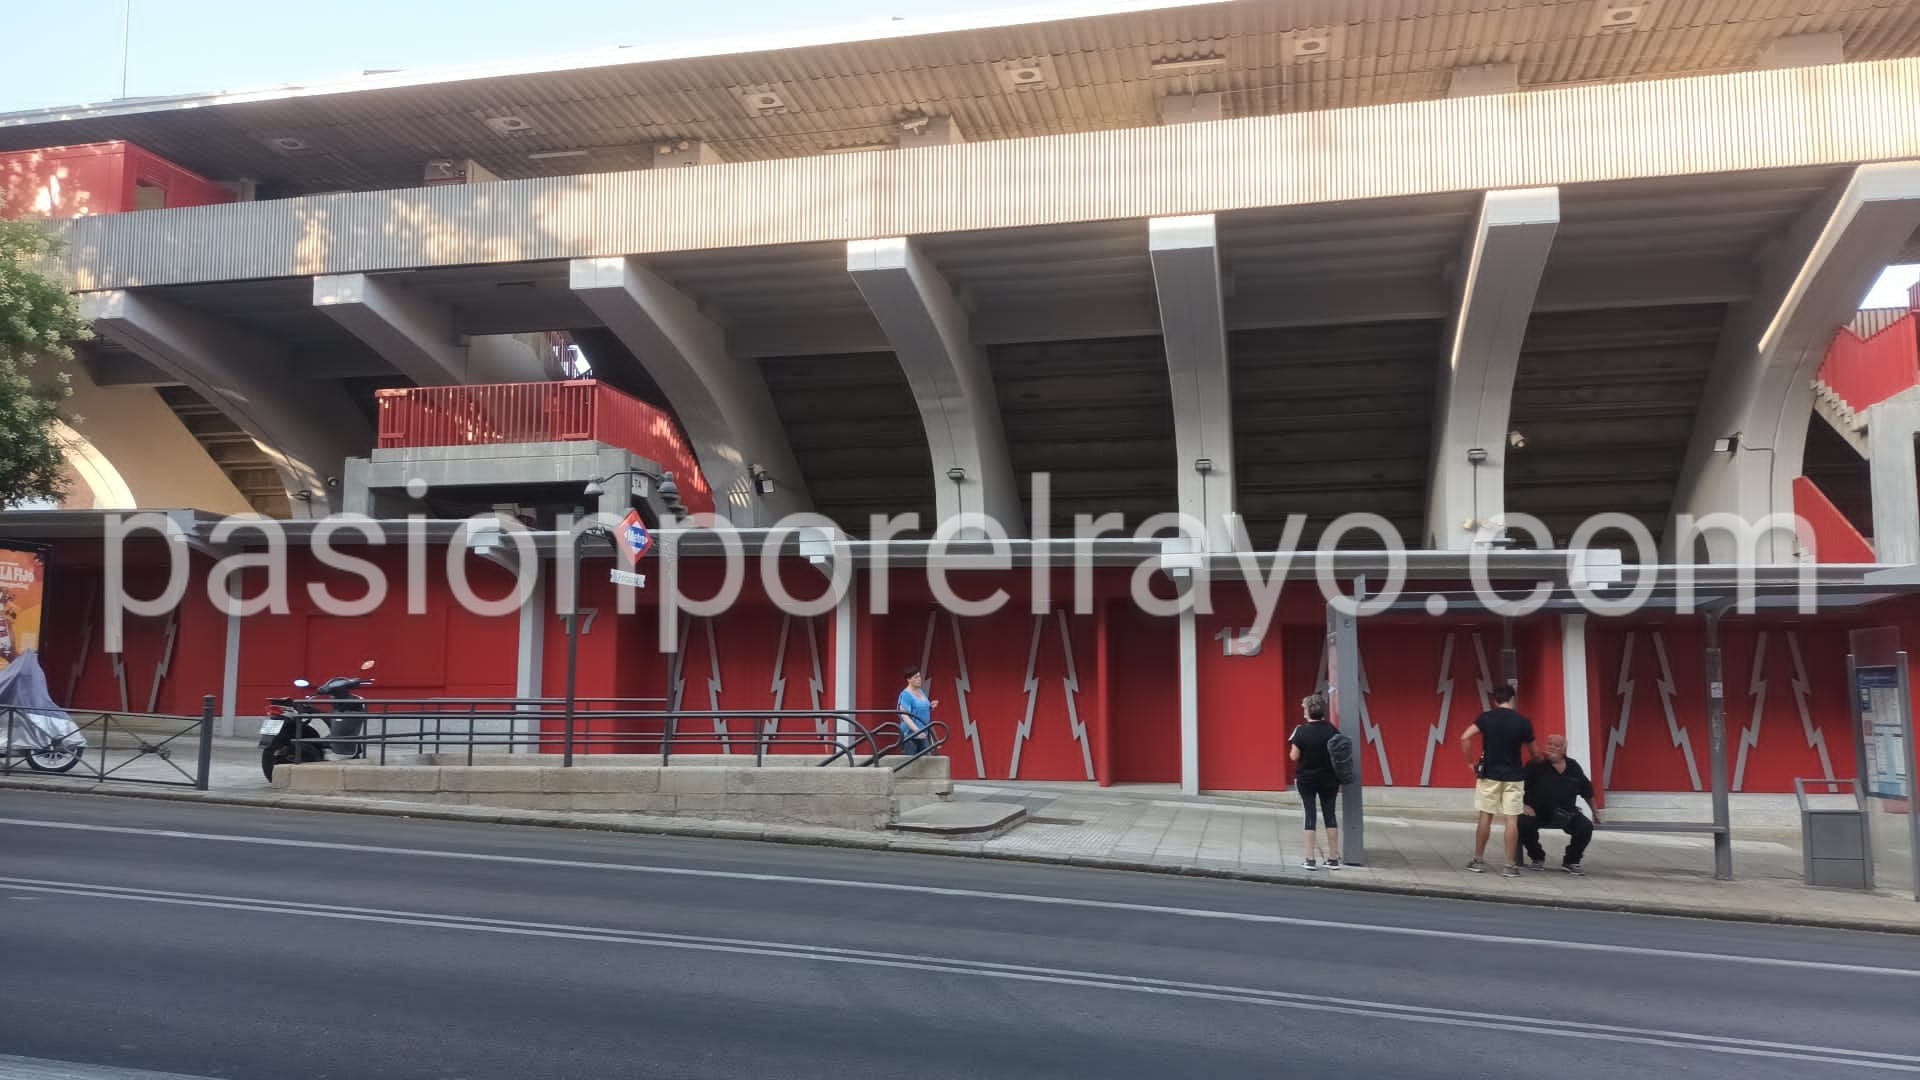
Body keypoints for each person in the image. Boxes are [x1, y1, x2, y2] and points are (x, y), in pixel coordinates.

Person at [1459, 683, 1535, 878]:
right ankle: (1509, 865)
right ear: (1513, 698)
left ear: (1495, 700)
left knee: (1485, 816)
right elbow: (1534, 752)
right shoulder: (1523, 722)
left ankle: (1478, 860)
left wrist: (1470, 763)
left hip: (1489, 774)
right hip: (1514, 776)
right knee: (1511, 820)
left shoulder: (1486, 718)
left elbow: (1465, 737)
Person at [1520, 733, 1598, 875]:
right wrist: (1523, 805)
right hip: (1538, 811)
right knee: (1522, 823)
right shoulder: (1536, 764)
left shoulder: (1573, 766)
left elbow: (1587, 790)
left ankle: (1571, 861)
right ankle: (1537, 857)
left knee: (1585, 827)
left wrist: (1595, 811)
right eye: (1549, 744)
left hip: (1566, 812)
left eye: (1556, 746)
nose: (1551, 748)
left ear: (1564, 749)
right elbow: (1518, 786)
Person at [1287, 693, 1342, 870]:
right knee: (1330, 815)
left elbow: (1294, 756)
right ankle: (1333, 858)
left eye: (1304, 708)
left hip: (1307, 779)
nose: (1303, 711)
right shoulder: (1332, 730)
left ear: (1309, 711)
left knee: (1309, 815)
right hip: (1330, 779)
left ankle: (1310, 859)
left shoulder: (1301, 731)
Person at [895, 665, 939, 757]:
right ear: (909, 679)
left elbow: (920, 707)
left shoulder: (920, 692)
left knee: (927, 761)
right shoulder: (905, 695)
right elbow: (904, 715)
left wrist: (930, 706)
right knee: (910, 763)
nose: (919, 679)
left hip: (924, 732)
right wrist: (916, 730)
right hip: (910, 735)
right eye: (916, 677)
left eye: (919, 676)